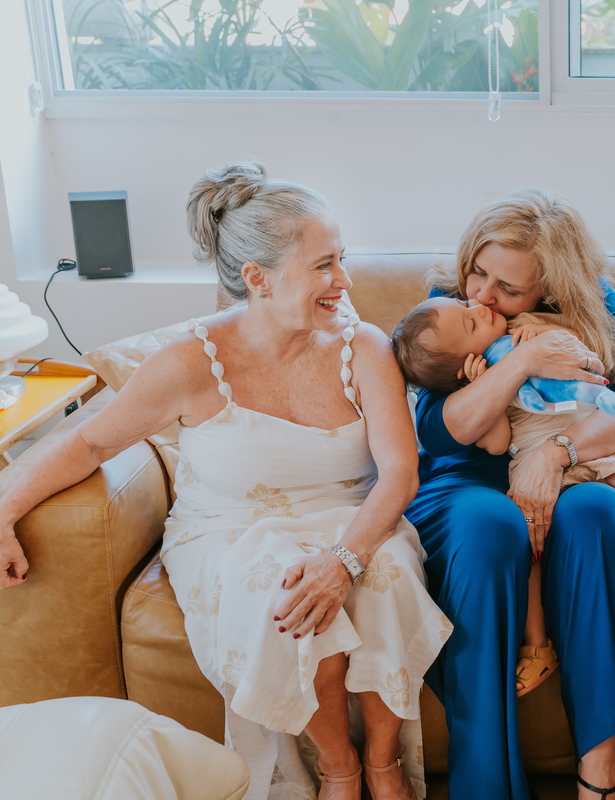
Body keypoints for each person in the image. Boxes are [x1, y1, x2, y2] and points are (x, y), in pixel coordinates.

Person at [0, 162, 449, 800]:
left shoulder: (365, 348)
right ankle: (340, 767)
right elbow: (90, 442)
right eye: (324, 265)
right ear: (257, 278)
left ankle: (384, 762)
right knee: (290, 592)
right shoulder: (190, 362)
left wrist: (344, 558)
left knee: (390, 574)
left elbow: (400, 474)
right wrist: (4, 508)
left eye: (342, 260)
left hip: (352, 516)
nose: (344, 282)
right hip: (231, 530)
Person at [401, 188, 615, 799]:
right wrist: (521, 364)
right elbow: (438, 429)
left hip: (566, 465)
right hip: (464, 481)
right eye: (478, 272)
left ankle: (602, 770)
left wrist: (555, 452)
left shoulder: (591, 301)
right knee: (491, 526)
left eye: (508, 289)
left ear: (549, 286)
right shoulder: (448, 307)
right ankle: (486, 785)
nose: (482, 296)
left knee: (598, 511)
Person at [391, 297, 615, 695]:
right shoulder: (476, 384)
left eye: (465, 305)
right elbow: (498, 444)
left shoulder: (525, 325)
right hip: (531, 459)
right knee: (530, 539)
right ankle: (537, 645)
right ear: (465, 363)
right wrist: (486, 388)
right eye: (471, 324)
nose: (478, 306)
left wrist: (544, 335)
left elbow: (586, 353)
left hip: (590, 438)